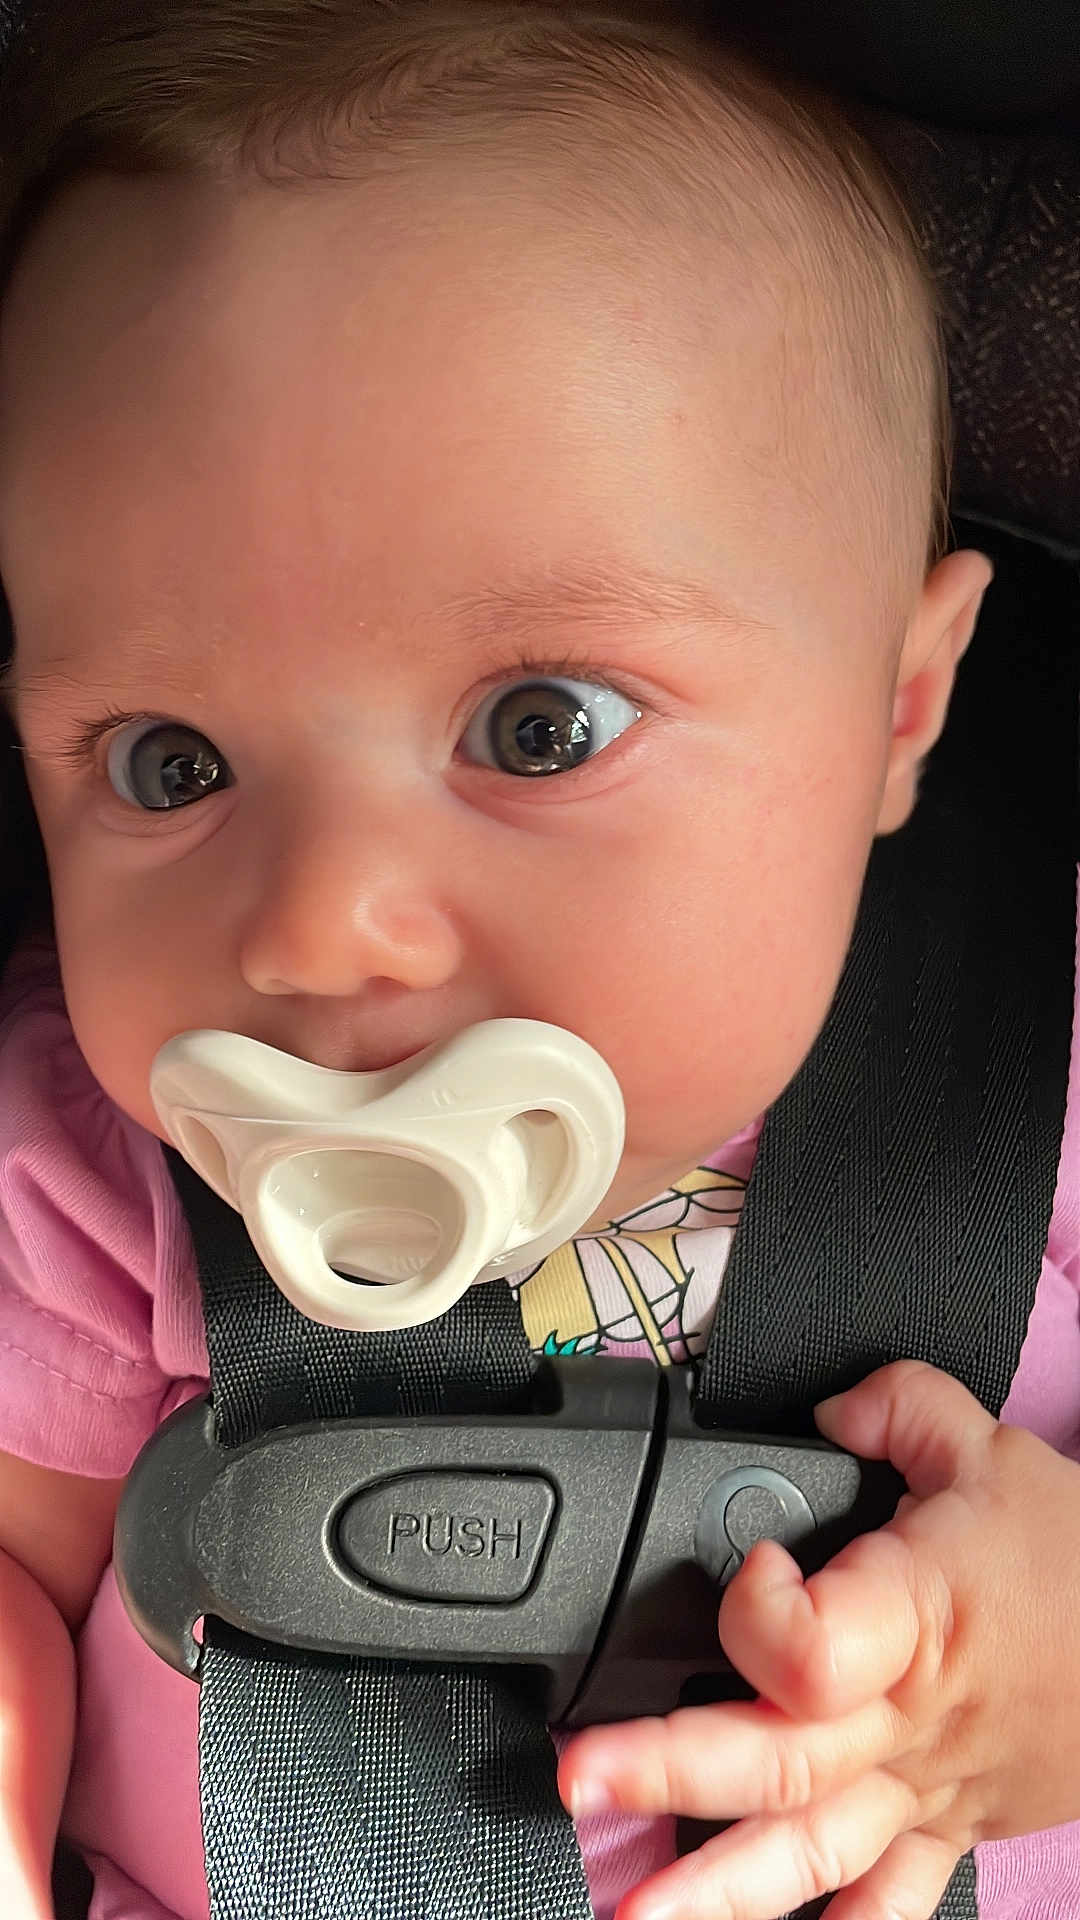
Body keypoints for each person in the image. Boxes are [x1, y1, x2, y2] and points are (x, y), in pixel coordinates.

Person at [0, 3, 1076, 1918]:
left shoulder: (1040, 1099)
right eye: (173, 767)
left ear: (900, 704)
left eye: (544, 729)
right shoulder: (78, 1179)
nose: (315, 923)